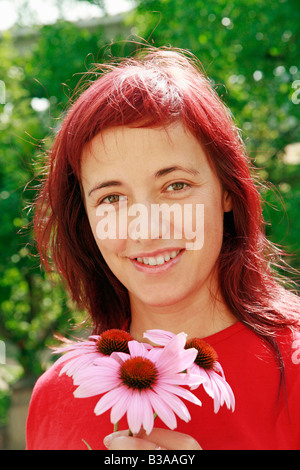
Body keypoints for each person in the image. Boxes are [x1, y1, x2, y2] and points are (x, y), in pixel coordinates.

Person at [26, 46, 300, 450]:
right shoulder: (58, 396)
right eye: (111, 198)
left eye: (175, 186)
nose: (146, 228)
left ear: (227, 191)